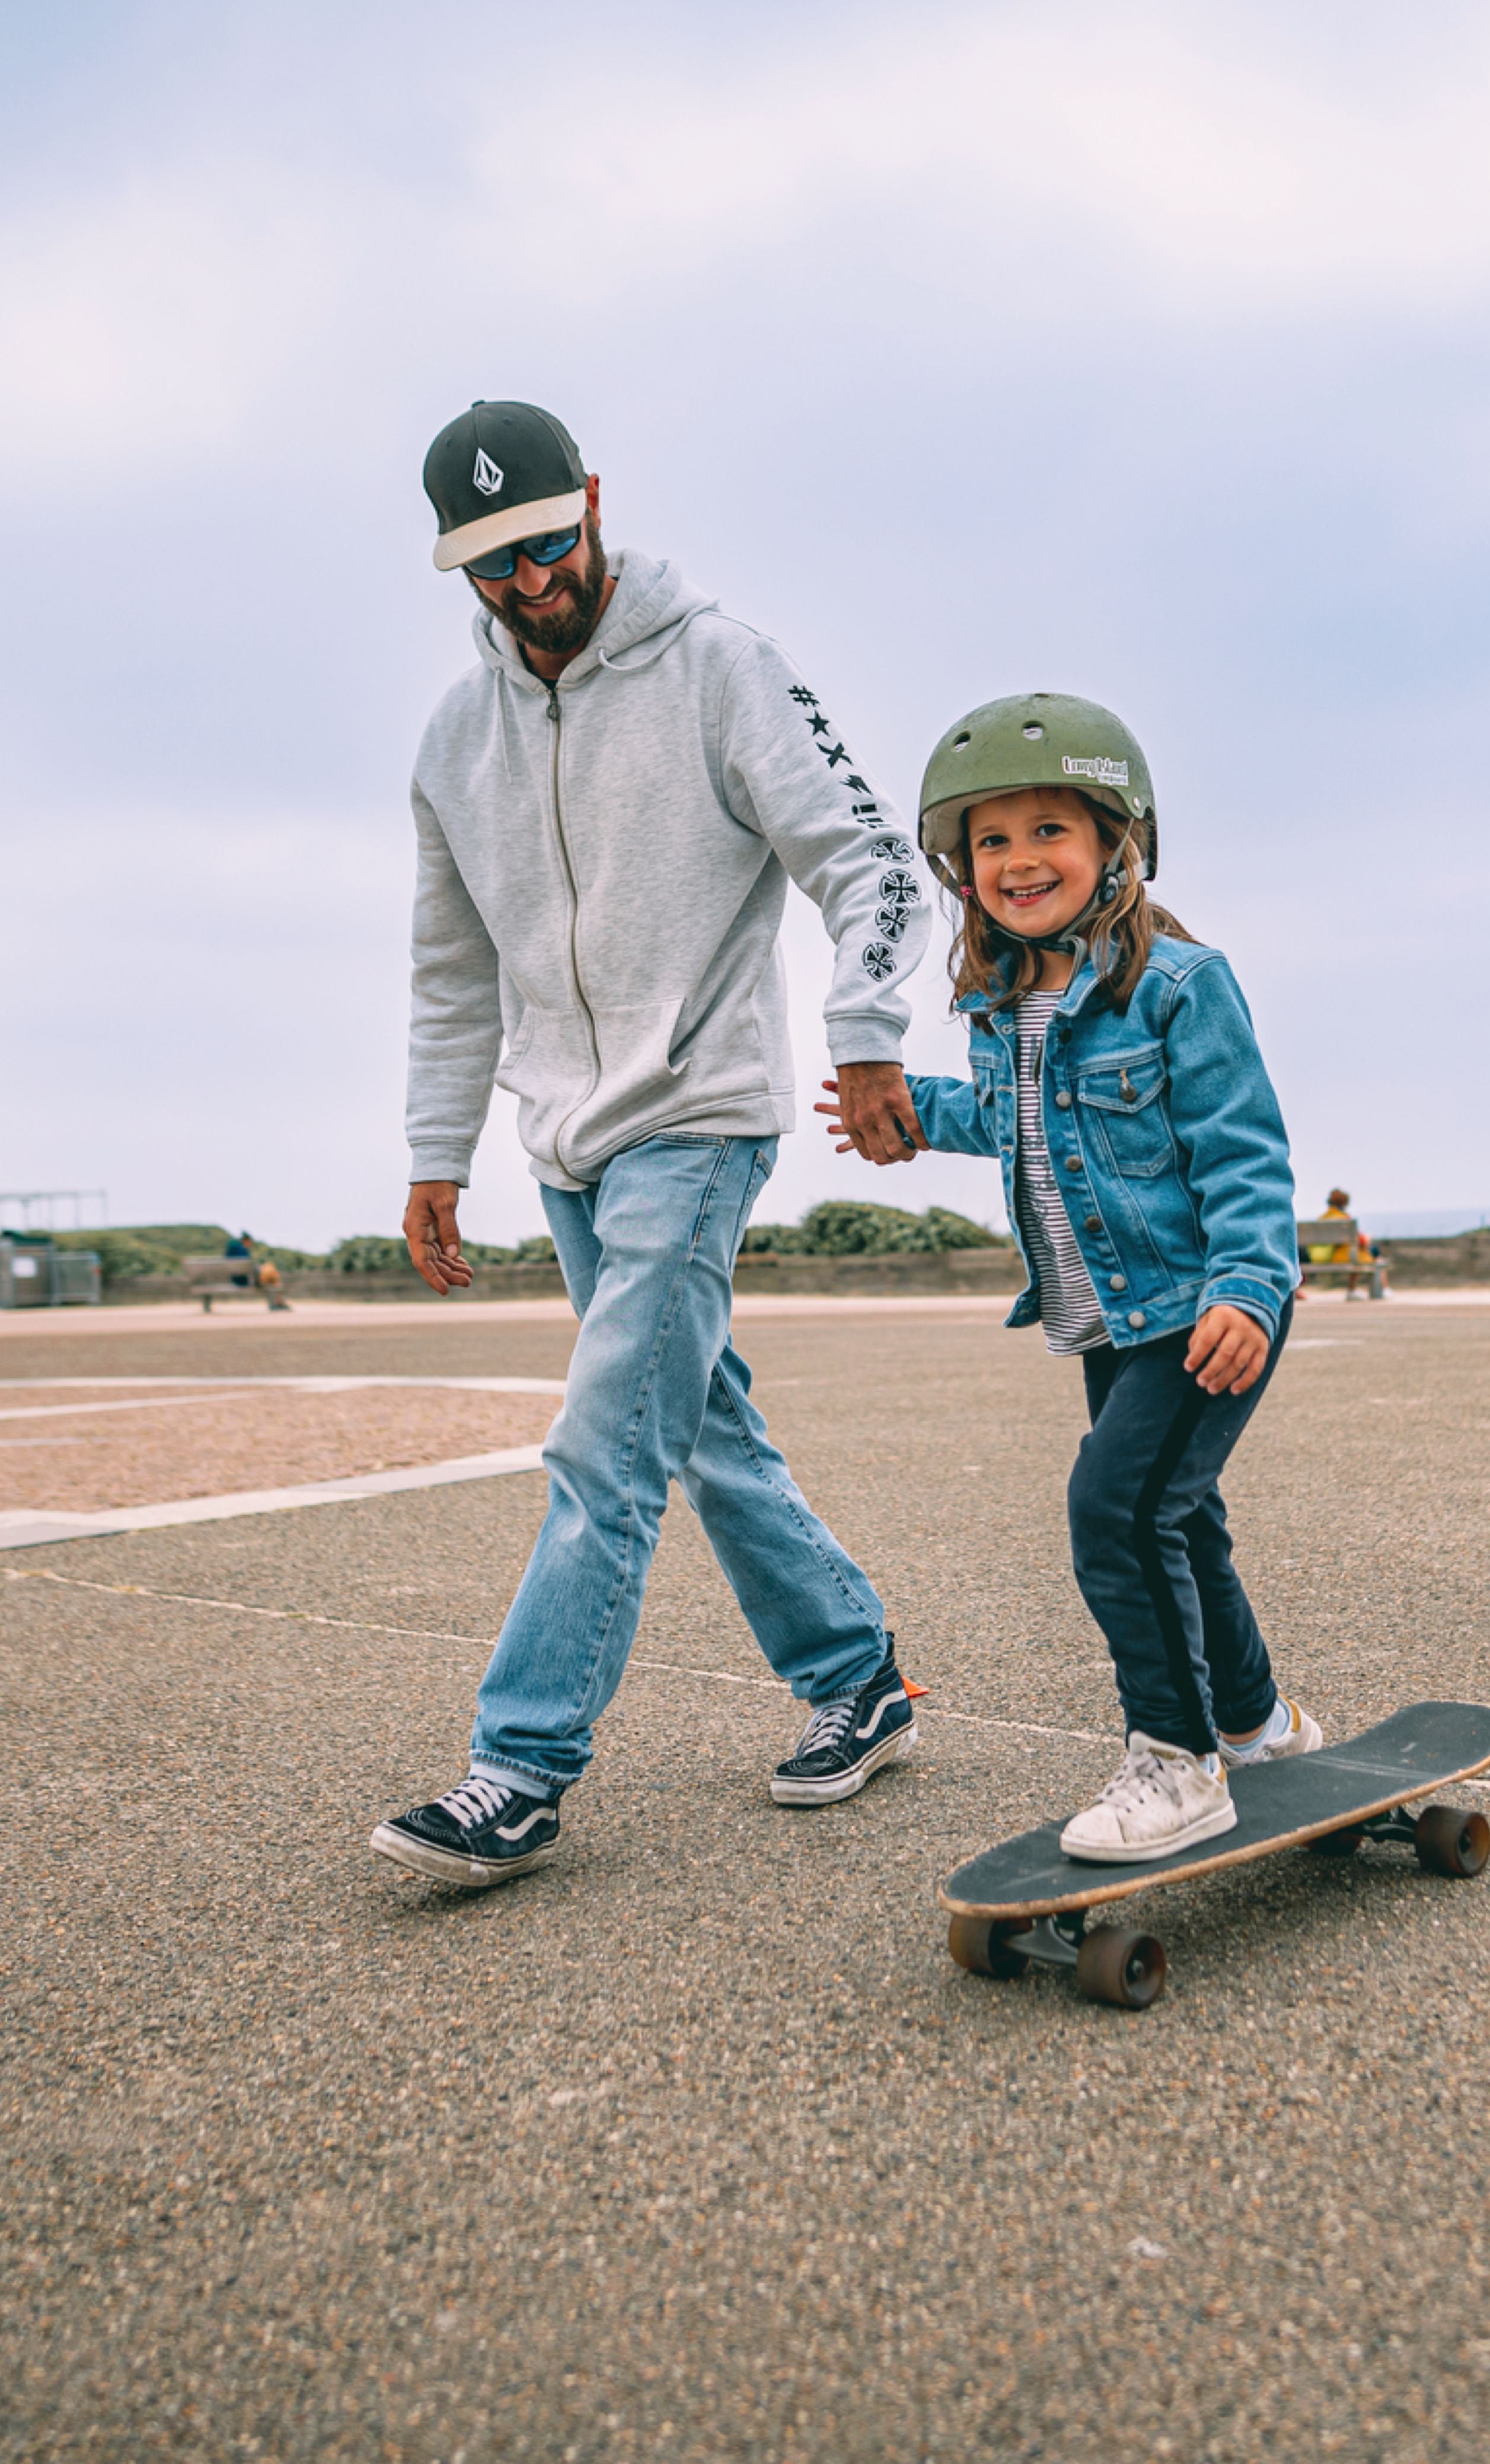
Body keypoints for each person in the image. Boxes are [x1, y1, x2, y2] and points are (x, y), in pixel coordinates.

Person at [373, 399, 933, 1890]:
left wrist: (869, 1029)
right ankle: (857, 1670)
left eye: (550, 541)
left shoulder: (719, 666)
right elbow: (453, 968)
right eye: (493, 562)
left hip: (697, 1114)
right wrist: (440, 1153)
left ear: (596, 502)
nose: (531, 578)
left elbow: (866, 857)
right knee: (694, 1425)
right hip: (564, 1136)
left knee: (606, 1439)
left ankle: (519, 1764)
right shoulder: (452, 737)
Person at [832, 694, 1315, 1860]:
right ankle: (1255, 1725)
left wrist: (1251, 1288)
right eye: (991, 840)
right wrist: (912, 1115)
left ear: (1117, 847)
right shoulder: (1004, 1005)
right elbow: (1012, 1117)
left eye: (1048, 829)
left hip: (1200, 1308)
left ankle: (1177, 1757)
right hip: (1106, 1317)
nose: (1018, 859)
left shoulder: (1181, 985)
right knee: (1177, 1519)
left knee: (1115, 1511)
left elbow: (1245, 1151)